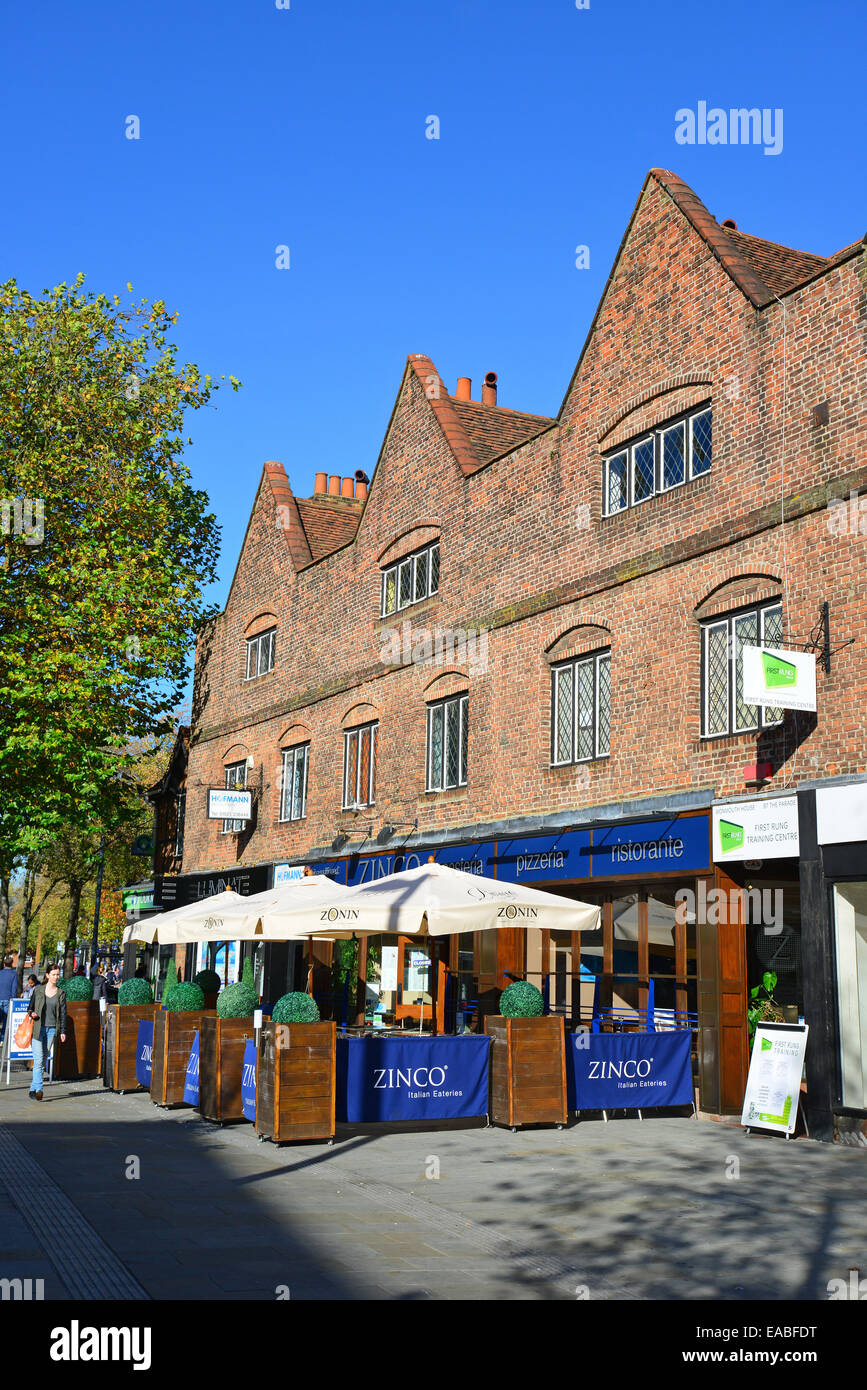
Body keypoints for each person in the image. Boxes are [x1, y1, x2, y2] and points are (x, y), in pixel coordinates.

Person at [28, 966, 66, 1100]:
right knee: (38, 1060)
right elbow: (30, 1008)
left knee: (43, 1060)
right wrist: (32, 1013)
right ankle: (39, 1089)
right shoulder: (38, 990)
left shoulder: (61, 993)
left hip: (52, 1029)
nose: (56, 977)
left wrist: (62, 1031)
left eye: (58, 975)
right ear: (48, 975)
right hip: (38, 1029)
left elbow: (62, 1013)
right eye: (54, 974)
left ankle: (32, 1088)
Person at [0, 955, 17, 1044]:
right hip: (8, 999)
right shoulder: (14, 974)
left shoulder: (0, 973)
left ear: (4, 964)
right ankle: (2, 1039)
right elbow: (14, 989)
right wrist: (13, 1000)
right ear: (12, 964)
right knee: (6, 1021)